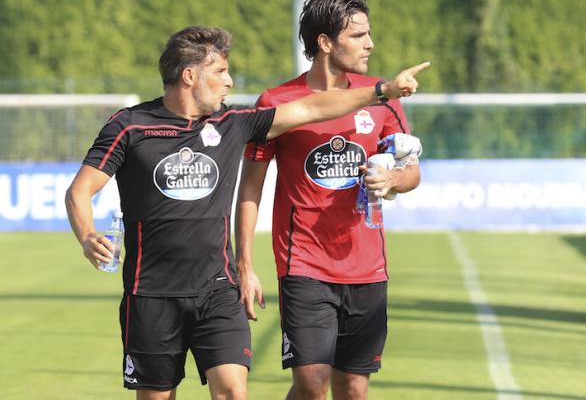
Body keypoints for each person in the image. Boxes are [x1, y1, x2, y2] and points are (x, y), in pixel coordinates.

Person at [64, 25, 427, 400]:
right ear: (190, 76)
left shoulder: (233, 124)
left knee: (234, 392)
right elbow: (78, 192)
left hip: (218, 291)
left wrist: (380, 91)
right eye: (220, 72)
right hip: (151, 294)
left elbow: (311, 107)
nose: (229, 81)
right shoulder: (129, 126)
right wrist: (87, 234)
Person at [235, 0, 422, 400]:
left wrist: (392, 182)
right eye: (358, 36)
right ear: (325, 43)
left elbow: (412, 172)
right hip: (303, 264)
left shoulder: (382, 97)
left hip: (367, 266)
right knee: (311, 384)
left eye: (368, 34)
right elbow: (250, 187)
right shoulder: (276, 102)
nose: (370, 43)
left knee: (353, 390)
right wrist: (244, 264)